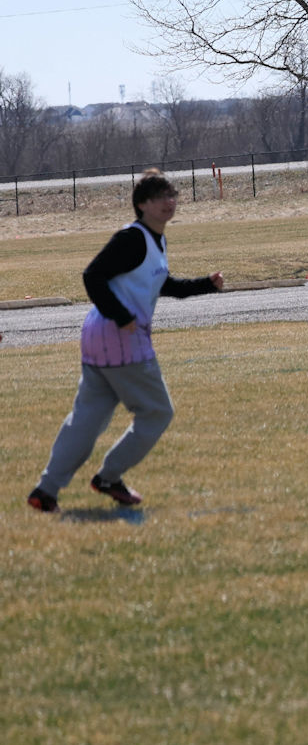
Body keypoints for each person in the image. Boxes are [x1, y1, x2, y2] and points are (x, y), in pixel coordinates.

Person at [27, 170, 224, 513]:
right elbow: (92, 275)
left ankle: (46, 491)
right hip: (121, 340)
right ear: (141, 205)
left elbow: (164, 285)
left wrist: (205, 284)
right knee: (157, 412)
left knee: (86, 420)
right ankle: (108, 477)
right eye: (159, 197)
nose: (169, 202)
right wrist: (121, 316)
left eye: (172, 195)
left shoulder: (154, 240)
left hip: (100, 339)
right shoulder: (132, 238)